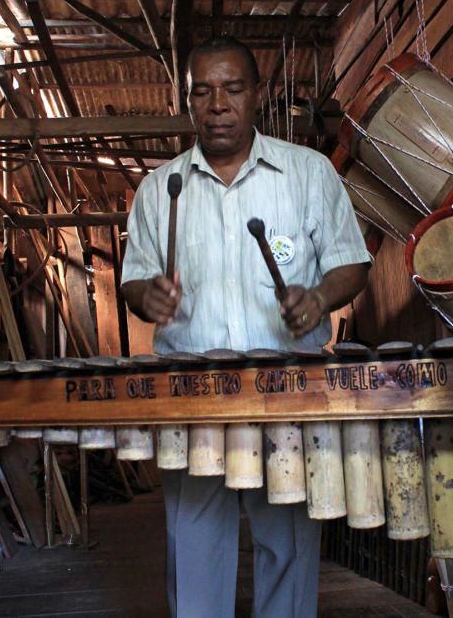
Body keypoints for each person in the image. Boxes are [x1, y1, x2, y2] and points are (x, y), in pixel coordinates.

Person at [120, 35, 371, 618]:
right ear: (187, 102)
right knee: (194, 545)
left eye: (232, 89)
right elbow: (134, 279)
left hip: (286, 391)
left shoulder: (307, 173)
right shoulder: (160, 190)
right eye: (202, 92)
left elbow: (351, 263)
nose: (218, 105)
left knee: (287, 542)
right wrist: (145, 297)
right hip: (190, 393)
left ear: (257, 95)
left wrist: (319, 297)